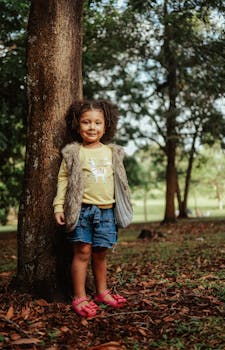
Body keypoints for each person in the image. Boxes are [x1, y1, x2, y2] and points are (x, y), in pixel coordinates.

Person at [53, 100, 133, 317]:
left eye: (98, 122)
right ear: (77, 126)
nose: (92, 127)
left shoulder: (112, 153)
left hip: (107, 211)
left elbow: (121, 183)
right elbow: (63, 179)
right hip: (81, 211)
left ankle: (101, 291)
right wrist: (58, 205)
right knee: (82, 252)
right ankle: (79, 296)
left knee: (100, 253)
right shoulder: (74, 153)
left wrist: (123, 208)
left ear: (106, 126)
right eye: (86, 122)